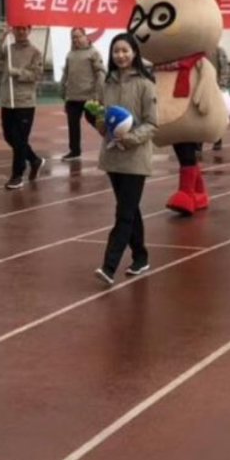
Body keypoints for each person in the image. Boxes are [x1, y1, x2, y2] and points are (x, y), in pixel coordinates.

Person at [93, 33, 159, 285]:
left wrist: (130, 138)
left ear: (134, 53)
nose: (120, 55)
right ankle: (141, 257)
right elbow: (102, 115)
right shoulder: (106, 83)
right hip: (112, 155)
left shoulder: (145, 84)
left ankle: (109, 267)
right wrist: (100, 123)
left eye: (125, 51)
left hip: (135, 157)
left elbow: (152, 123)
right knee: (130, 209)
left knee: (124, 213)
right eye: (116, 51)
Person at [0, 26, 45, 189]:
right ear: (13, 31)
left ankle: (17, 175)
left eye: (24, 29)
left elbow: (37, 75)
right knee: (9, 136)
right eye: (18, 29)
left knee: (20, 139)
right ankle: (34, 160)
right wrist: (2, 37)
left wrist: (18, 72)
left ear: (29, 30)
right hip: (8, 100)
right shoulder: (8, 49)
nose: (21, 32)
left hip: (24, 102)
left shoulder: (35, 52)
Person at [60, 28, 105, 161]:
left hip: (89, 97)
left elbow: (101, 73)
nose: (76, 40)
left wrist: (98, 94)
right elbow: (66, 74)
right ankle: (74, 151)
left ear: (85, 36)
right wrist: (63, 91)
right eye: (73, 37)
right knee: (73, 124)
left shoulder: (93, 53)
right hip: (72, 97)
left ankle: (111, 139)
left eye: (78, 36)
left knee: (97, 121)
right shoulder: (70, 54)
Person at [212, 44, 230, 152]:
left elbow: (224, 69)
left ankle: (217, 139)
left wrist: (222, 85)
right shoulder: (199, 51)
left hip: (216, 87)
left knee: (216, 115)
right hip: (202, 87)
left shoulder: (219, 51)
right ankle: (198, 144)